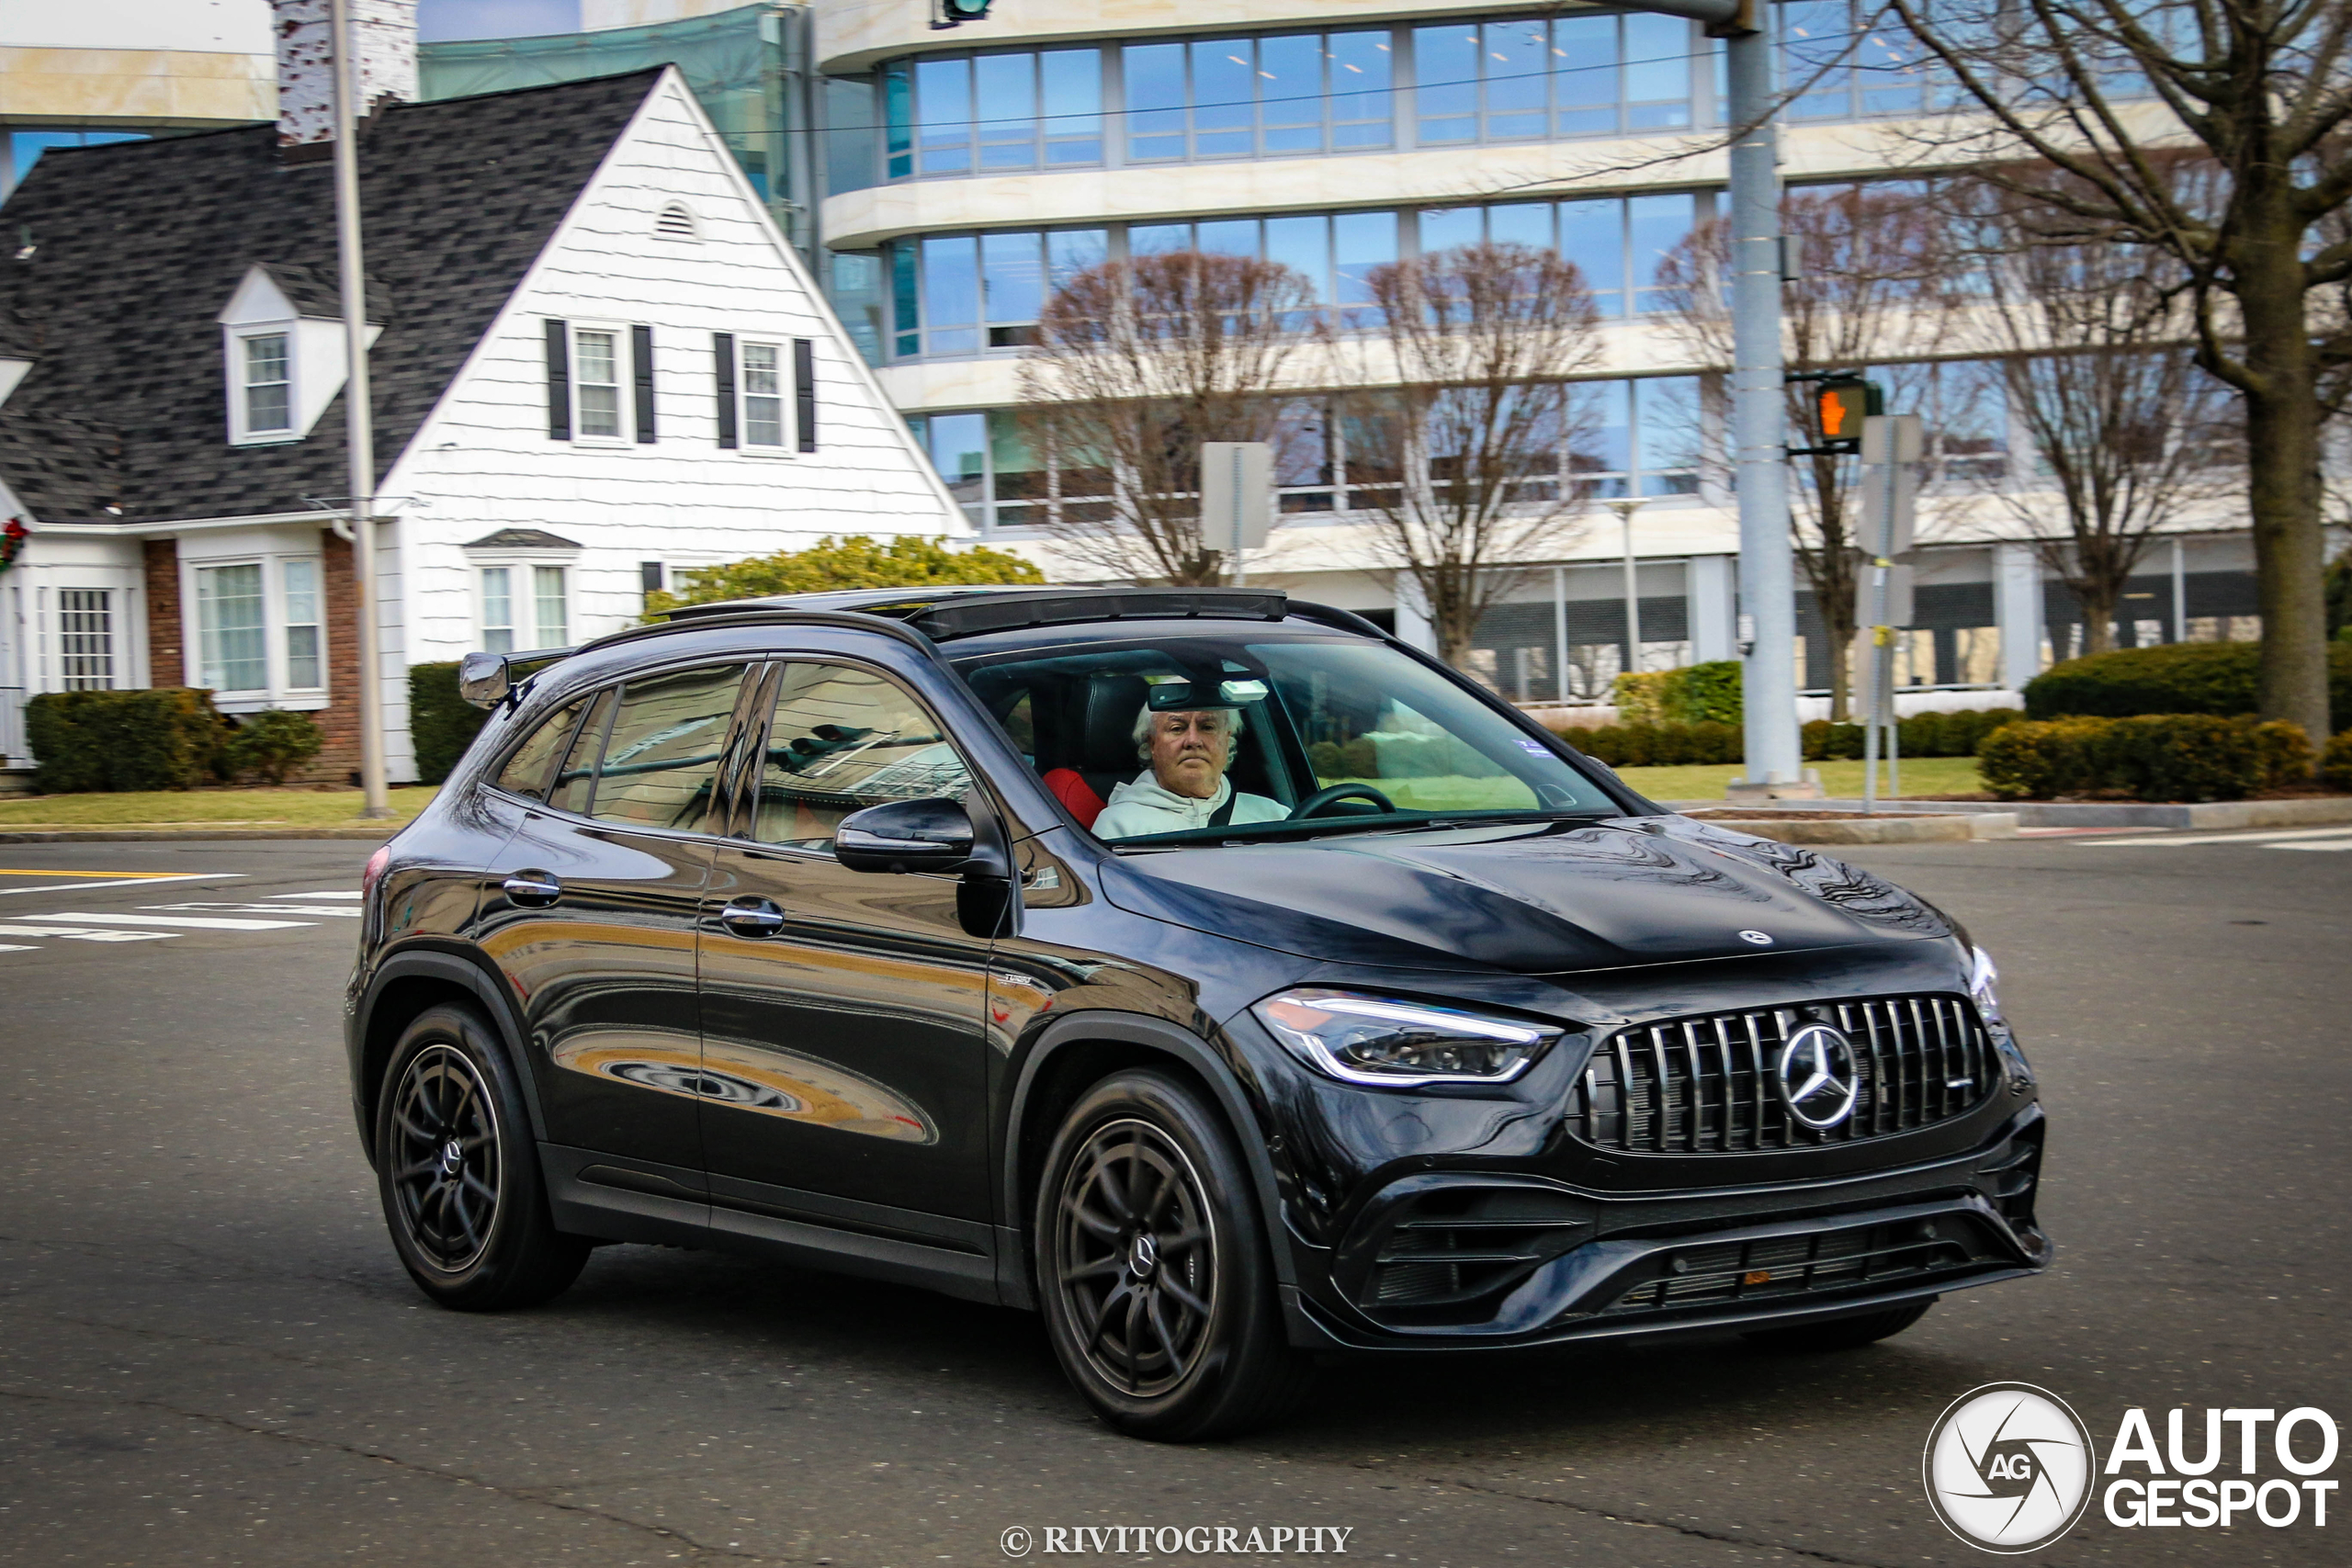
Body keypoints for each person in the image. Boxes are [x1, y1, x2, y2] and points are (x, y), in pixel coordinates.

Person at [1091, 704, 1289, 840]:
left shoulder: (1274, 815)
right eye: (1177, 728)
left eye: (1208, 727)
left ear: (1227, 740)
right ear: (1152, 743)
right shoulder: (1118, 825)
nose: (1193, 740)